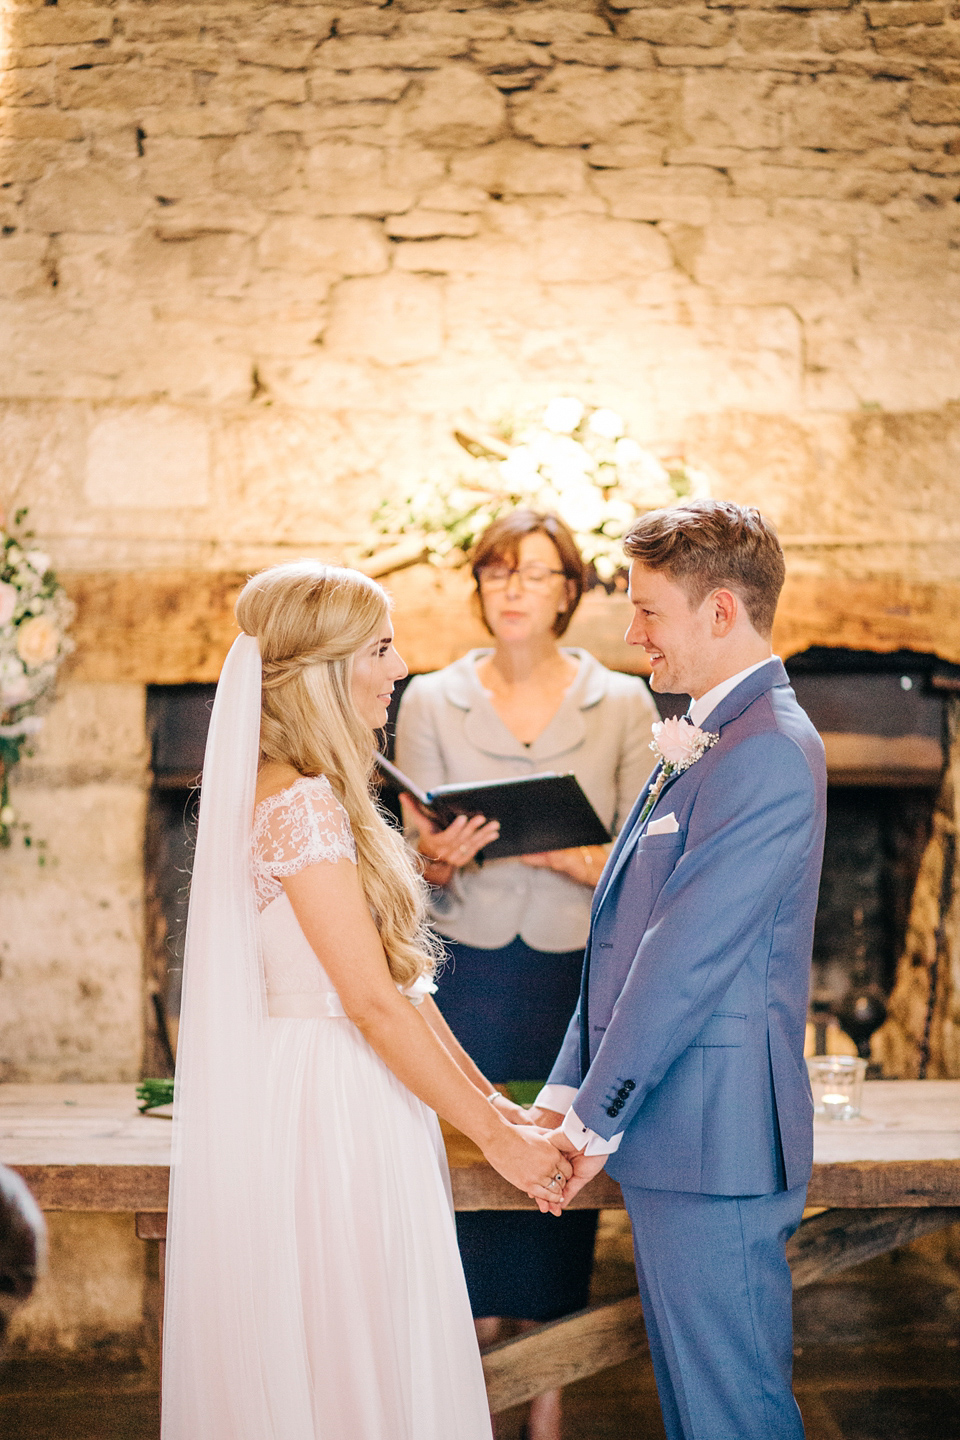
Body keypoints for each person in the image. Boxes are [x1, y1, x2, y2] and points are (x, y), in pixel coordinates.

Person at [161, 561, 572, 1440]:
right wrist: (499, 1144)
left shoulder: (306, 792)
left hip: (350, 1083)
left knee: (354, 1331)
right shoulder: (300, 805)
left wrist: (498, 1109)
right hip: (327, 1104)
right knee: (349, 1336)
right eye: (381, 649)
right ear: (325, 667)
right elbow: (373, 1005)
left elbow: (399, 984)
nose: (398, 667)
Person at [535, 499, 827, 1440]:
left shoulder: (769, 750)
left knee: (732, 1416)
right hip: (683, 1136)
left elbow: (684, 956)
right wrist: (564, 1087)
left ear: (720, 612)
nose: (632, 634)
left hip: (721, 1137)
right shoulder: (706, 735)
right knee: (700, 1415)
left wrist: (591, 1121)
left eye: (649, 610)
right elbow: (622, 929)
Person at [394, 510, 658, 1440]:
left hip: (575, 977)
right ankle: (468, 1385)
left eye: (535, 573)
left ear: (570, 592)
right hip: (462, 973)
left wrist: (546, 853)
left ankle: (549, 1400)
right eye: (497, 572)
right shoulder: (427, 699)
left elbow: (641, 857)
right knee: (465, 1160)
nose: (512, 589)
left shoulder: (625, 703)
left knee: (558, 1164)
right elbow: (414, 862)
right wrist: (444, 858)